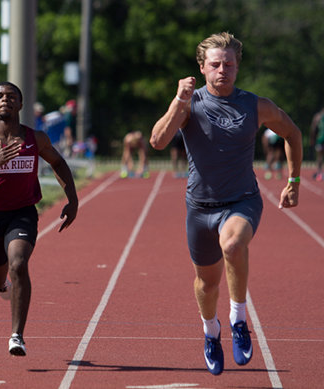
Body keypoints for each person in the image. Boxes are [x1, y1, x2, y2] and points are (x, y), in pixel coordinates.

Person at [150, 32, 302, 376]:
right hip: (200, 207)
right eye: (216, 64)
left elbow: (292, 132)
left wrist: (293, 181)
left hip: (242, 200)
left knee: (233, 244)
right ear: (202, 68)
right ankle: (211, 332)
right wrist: (178, 101)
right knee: (206, 284)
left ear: (238, 66)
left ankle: (238, 319)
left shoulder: (255, 104)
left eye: (229, 64)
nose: (223, 70)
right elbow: (158, 141)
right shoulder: (189, 104)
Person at [0, 81, 78, 356]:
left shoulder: (36, 139)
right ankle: (2, 285)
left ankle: (17, 336)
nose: (5, 100)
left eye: (11, 96)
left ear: (21, 105)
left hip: (22, 213)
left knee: (19, 263)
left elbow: (58, 163)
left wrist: (73, 199)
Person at [309, 107, 324, 181]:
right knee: (320, 157)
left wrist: (312, 139)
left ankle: (319, 173)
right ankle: (319, 173)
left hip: (320, 139)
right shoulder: (318, 117)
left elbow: (313, 128)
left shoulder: (317, 117)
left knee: (319, 157)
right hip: (321, 139)